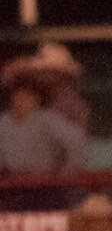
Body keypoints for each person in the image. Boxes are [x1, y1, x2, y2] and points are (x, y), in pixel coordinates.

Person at [0, 60, 91, 195]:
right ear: (12, 96)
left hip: (44, 188)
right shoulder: (4, 122)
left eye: (29, 96)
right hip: (13, 189)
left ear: (37, 98)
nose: (23, 101)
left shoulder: (47, 119)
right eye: (19, 95)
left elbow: (77, 141)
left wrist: (65, 175)